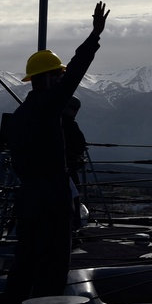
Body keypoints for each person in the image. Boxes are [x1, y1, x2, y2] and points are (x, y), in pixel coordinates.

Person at [0, 2, 109, 304]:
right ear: (47, 79)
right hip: (52, 197)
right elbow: (75, 71)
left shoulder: (19, 118)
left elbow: (17, 162)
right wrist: (94, 36)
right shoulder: (49, 108)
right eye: (57, 75)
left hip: (28, 198)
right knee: (52, 267)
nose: (62, 78)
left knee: (24, 265)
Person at [63, 95, 87, 235]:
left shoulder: (56, 122)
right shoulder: (70, 125)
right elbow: (80, 144)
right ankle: (74, 226)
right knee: (73, 196)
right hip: (68, 168)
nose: (76, 112)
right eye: (74, 109)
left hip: (63, 167)